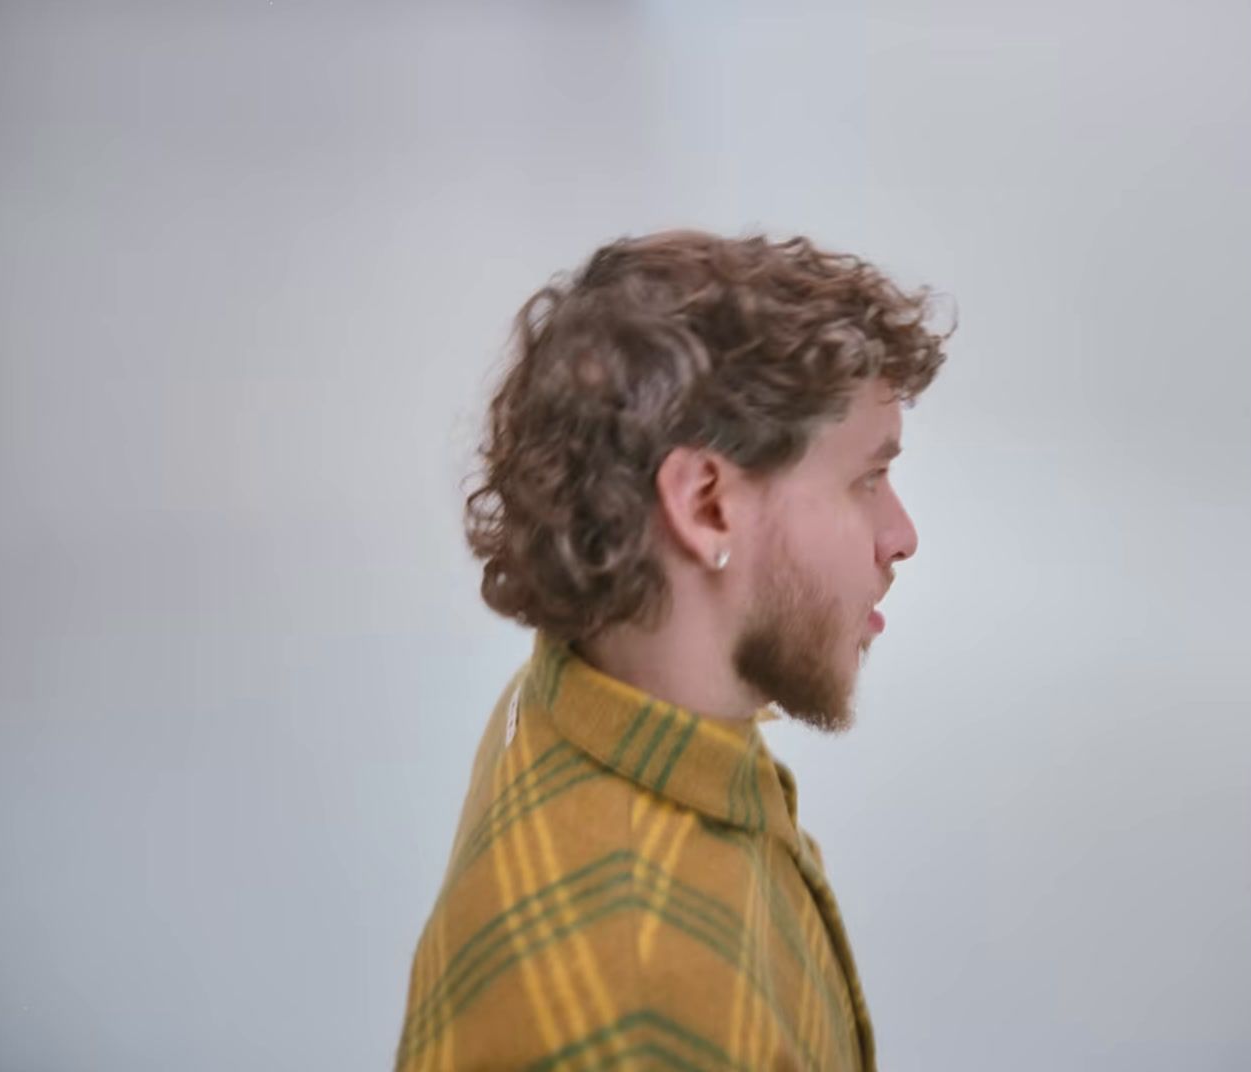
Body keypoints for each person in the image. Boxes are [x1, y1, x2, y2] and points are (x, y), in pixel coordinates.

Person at [396, 230, 950, 1071]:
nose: (901, 536)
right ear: (706, 505)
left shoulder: (572, 694)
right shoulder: (642, 1016)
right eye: (866, 480)